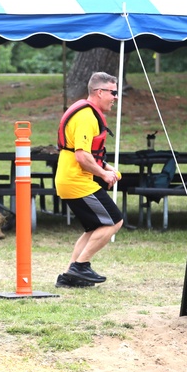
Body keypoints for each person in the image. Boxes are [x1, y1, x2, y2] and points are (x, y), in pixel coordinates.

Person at [54, 72, 124, 287]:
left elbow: (89, 154)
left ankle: (69, 277)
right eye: (113, 92)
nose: (116, 97)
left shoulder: (88, 113)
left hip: (70, 179)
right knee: (114, 221)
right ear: (99, 92)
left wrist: (108, 168)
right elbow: (82, 156)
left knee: (94, 228)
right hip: (76, 181)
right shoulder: (86, 116)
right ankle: (80, 266)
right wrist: (103, 174)